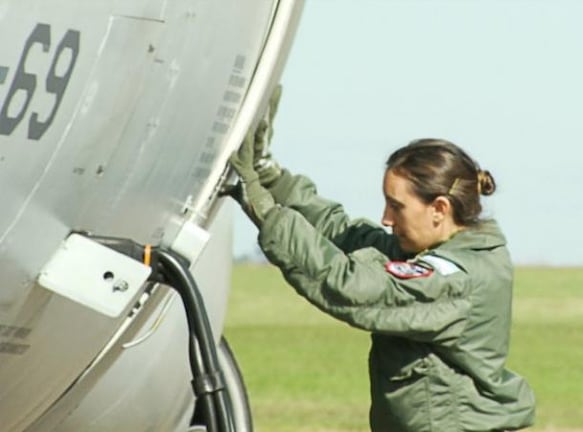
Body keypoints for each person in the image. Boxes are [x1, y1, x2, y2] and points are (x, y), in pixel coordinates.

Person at [227, 87, 535, 432]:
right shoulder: (435, 252)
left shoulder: (453, 277)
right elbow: (341, 232)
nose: (386, 218)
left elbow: (351, 286)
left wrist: (265, 211)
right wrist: (269, 176)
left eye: (397, 206)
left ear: (439, 209)